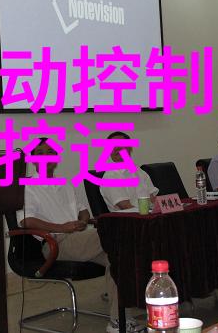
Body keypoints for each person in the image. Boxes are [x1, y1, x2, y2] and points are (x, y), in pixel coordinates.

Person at [20, 138, 143, 333]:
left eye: (50, 153)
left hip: (78, 240)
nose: (46, 157)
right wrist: (61, 227)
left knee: (118, 259)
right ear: (32, 159)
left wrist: (83, 221)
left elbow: (83, 210)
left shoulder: (65, 184)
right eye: (40, 154)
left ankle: (118, 320)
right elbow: (26, 221)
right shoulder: (27, 187)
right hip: (54, 243)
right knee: (117, 236)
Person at [100, 131, 159, 212]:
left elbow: (152, 199)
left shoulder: (140, 172)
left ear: (130, 148)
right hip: (130, 218)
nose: (116, 148)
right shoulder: (110, 176)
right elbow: (126, 207)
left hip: (146, 215)